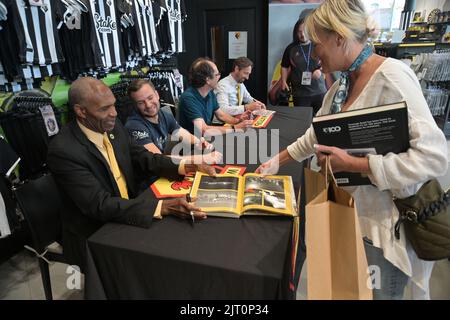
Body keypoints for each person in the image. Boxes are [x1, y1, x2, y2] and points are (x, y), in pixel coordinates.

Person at [256, 0, 448, 300]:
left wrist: (357, 165)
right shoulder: (341, 86)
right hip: (348, 219)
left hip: (381, 232)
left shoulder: (392, 78)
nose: (315, 55)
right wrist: (276, 161)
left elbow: (434, 157)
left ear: (339, 38)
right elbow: (314, 135)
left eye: (318, 45)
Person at [47, 77, 216, 271]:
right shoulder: (64, 151)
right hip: (97, 231)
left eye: (114, 105)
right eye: (104, 109)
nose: (113, 113)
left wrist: (187, 166)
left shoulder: (112, 125)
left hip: (127, 208)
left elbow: (143, 157)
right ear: (80, 111)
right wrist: (161, 207)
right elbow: (99, 205)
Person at [125, 79, 222, 164]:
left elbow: (184, 135)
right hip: (149, 181)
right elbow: (158, 160)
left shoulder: (163, 114)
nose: (148, 105)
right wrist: (201, 159)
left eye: (150, 98)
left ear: (157, 95)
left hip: (162, 172)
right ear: (135, 105)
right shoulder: (134, 126)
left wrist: (200, 143)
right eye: (141, 102)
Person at [178, 57, 253, 136]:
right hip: (191, 145)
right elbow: (203, 130)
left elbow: (221, 115)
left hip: (205, 140)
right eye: (217, 74)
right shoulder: (188, 98)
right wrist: (236, 128)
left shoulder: (210, 93)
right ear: (207, 80)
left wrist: (238, 121)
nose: (219, 77)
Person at [280, 9, 328, 113]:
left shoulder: (318, 44)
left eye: (304, 31)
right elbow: (284, 66)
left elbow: (328, 60)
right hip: (300, 94)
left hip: (319, 92)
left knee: (320, 119)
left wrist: (320, 70)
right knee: (303, 122)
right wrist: (283, 81)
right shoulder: (291, 48)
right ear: (296, 32)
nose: (302, 35)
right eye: (299, 32)